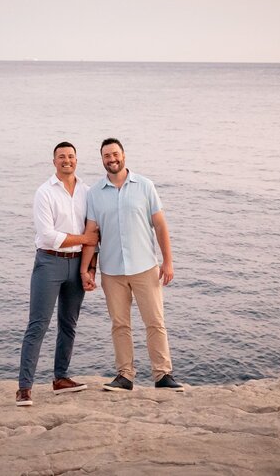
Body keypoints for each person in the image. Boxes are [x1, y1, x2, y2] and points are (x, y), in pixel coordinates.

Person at [81, 138, 184, 392]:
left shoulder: (145, 186)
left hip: (145, 267)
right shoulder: (94, 193)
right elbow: (92, 234)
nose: (112, 159)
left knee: (155, 321)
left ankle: (162, 375)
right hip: (112, 271)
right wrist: (87, 269)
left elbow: (160, 225)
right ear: (102, 160)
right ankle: (125, 376)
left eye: (115, 154)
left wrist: (168, 262)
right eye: (107, 156)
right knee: (120, 324)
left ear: (124, 156)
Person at [16, 141, 99, 407]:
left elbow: (94, 234)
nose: (67, 160)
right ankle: (24, 388)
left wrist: (89, 269)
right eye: (61, 156)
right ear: (54, 162)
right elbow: (48, 236)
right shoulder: (44, 192)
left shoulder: (87, 192)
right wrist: (83, 238)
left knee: (69, 324)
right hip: (49, 263)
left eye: (71, 156)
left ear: (77, 160)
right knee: (38, 325)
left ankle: (61, 378)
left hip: (78, 264)